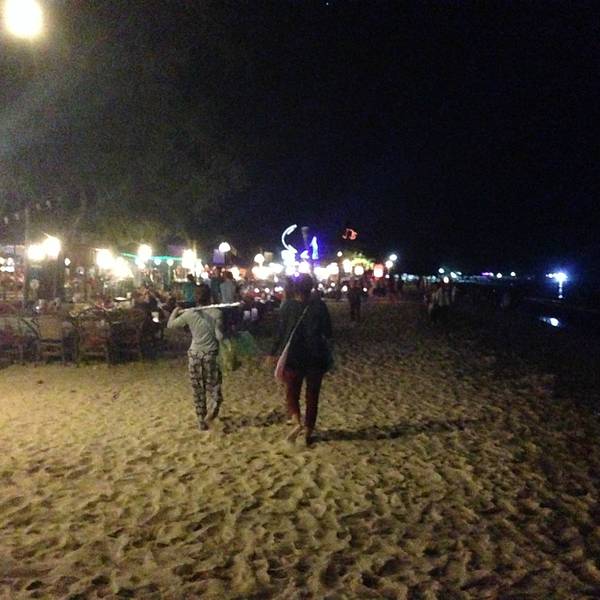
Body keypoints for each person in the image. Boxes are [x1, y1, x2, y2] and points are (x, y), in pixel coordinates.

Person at [269, 274, 333, 446]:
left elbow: (280, 332)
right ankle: (308, 431)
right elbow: (328, 331)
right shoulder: (319, 306)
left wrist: (273, 352)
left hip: (294, 356)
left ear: (295, 289)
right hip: (316, 355)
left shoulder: (287, 306)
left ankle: (297, 421)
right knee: (312, 395)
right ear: (311, 287)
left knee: (292, 392)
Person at [167, 285, 224, 431]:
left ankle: (201, 419)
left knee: (198, 388)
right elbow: (219, 336)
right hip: (210, 354)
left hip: (194, 354)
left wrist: (175, 311)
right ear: (210, 297)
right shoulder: (216, 313)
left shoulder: (189, 313)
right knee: (214, 385)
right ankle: (212, 411)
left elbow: (170, 325)